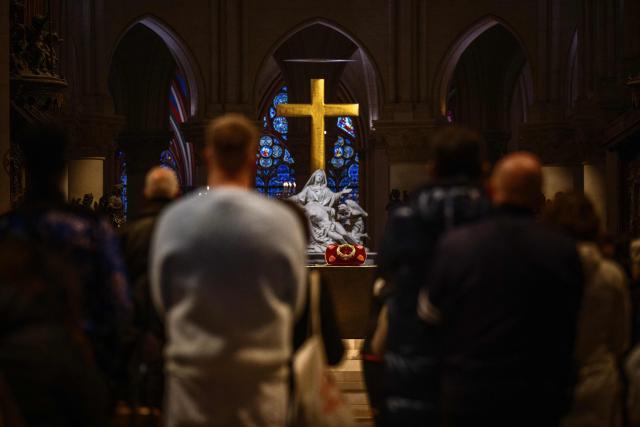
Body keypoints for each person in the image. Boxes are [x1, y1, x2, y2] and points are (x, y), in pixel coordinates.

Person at [150, 114, 307, 427]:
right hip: (261, 385)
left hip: (194, 383)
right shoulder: (282, 222)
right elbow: (296, 301)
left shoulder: (174, 219)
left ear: (208, 155)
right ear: (253, 157)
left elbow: (161, 300)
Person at [417, 152, 583, 427]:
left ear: (491, 190)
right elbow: (571, 321)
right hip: (539, 395)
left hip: (470, 391)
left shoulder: (457, 245)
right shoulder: (562, 250)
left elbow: (429, 316)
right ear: (538, 196)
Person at [0, 124, 131, 400]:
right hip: (80, 359)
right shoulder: (89, 229)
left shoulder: (8, 230)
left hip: (13, 368)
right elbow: (118, 301)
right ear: (62, 167)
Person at [377, 126, 490, 426]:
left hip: (415, 365)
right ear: (484, 168)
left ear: (431, 168)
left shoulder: (404, 220)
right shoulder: (498, 221)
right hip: (482, 367)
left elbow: (388, 280)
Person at [543, 192, 630, 427]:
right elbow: (620, 338)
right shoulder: (610, 274)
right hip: (597, 379)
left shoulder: (539, 271)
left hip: (548, 379)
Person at [119, 166, 180, 408]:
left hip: (138, 325)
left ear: (144, 195)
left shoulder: (129, 232)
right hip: (177, 325)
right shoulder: (186, 231)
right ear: (176, 195)